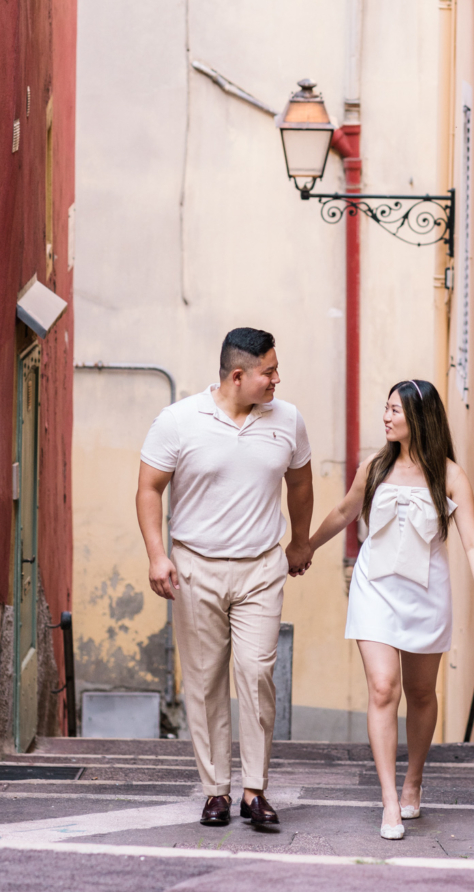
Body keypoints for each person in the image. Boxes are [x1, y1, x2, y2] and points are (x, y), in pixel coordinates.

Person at [136, 327, 313, 832]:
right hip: (196, 567)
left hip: (261, 567)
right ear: (239, 376)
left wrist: (299, 541)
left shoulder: (288, 420)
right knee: (205, 680)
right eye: (269, 371)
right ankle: (215, 790)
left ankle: (254, 791)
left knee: (257, 673)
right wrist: (157, 555)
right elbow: (149, 488)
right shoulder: (178, 421)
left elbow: (300, 483)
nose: (277, 378)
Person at [308, 378, 474, 840]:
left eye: (395, 409)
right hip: (374, 590)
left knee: (422, 693)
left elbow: (472, 541)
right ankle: (390, 802)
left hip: (426, 595)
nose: (386, 416)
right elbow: (345, 512)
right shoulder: (373, 466)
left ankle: (414, 781)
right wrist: (305, 547)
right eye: (386, 408)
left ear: (418, 417)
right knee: (383, 687)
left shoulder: (449, 475)